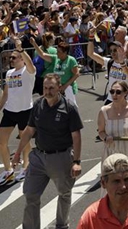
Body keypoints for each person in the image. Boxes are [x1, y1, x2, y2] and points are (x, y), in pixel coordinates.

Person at [11, 74, 83, 229]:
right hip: (38, 158)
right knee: (31, 194)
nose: (48, 91)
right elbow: (29, 131)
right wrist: (17, 154)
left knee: (64, 194)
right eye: (45, 87)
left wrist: (76, 161)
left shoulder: (69, 108)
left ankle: (61, 225)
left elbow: (76, 136)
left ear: (59, 87)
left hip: (61, 157)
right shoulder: (38, 105)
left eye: (51, 88)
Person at [0, 38, 37, 185]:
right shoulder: (9, 73)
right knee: (1, 142)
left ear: (22, 58)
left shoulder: (28, 71)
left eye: (14, 58)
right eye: (10, 58)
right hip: (10, 111)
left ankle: (25, 167)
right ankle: (8, 171)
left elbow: (32, 65)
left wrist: (21, 48)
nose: (11, 60)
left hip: (25, 111)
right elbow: (6, 94)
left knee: (25, 142)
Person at [87, 34, 128, 103]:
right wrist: (91, 38)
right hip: (111, 99)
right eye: (111, 51)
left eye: (115, 50)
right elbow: (91, 54)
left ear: (121, 50)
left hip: (125, 100)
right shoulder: (108, 62)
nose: (112, 53)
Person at [31, 38, 81, 106]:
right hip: (57, 88)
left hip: (68, 88)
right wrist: (34, 44)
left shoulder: (71, 60)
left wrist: (65, 86)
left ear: (65, 52)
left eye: (59, 52)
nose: (57, 53)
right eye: (57, 51)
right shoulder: (55, 58)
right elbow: (43, 55)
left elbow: (76, 74)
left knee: (70, 107)